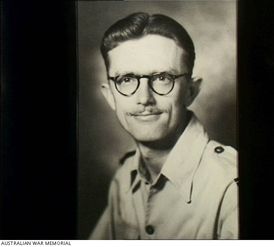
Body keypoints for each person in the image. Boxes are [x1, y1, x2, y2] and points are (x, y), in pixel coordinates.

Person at [89, 12, 238, 240]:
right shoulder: (124, 178)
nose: (144, 98)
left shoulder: (231, 189)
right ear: (110, 96)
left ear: (190, 91)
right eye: (126, 79)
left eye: (162, 78)